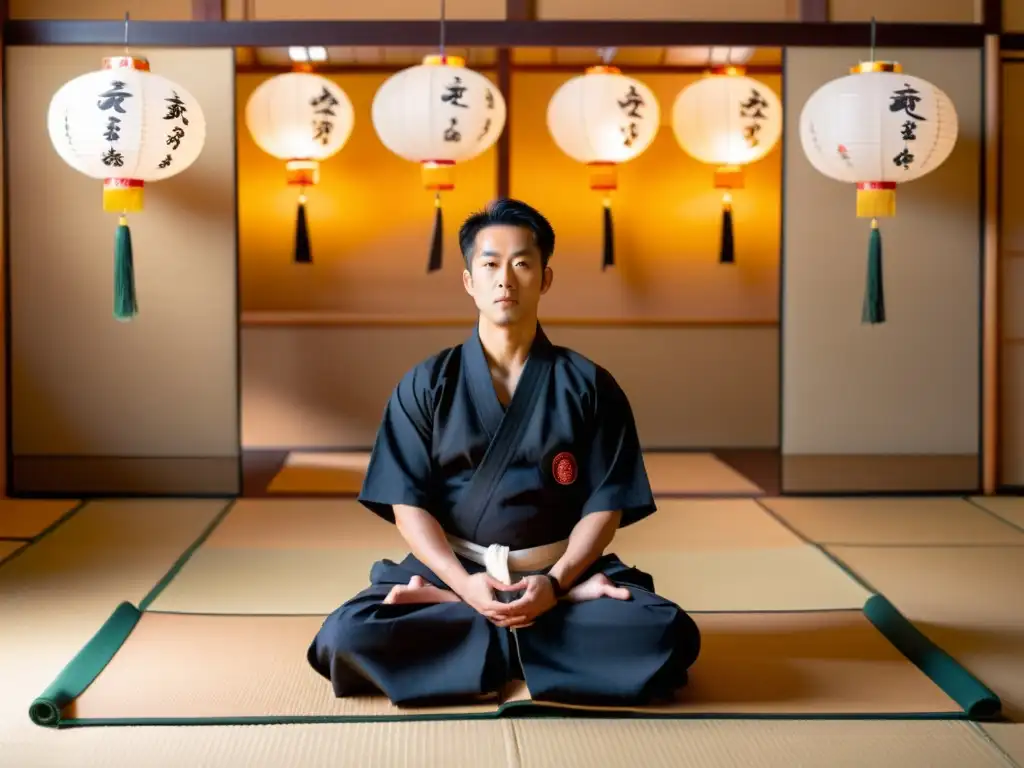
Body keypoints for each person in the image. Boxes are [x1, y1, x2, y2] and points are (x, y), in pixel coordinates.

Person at [307, 198, 701, 707]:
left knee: (666, 633)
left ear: (546, 277)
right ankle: (511, 623)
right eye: (490, 264)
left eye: (521, 263)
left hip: (557, 572)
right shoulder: (427, 384)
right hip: (455, 570)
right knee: (345, 637)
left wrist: (557, 584)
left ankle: (490, 623)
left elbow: (607, 504)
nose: (505, 280)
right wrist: (463, 586)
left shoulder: (589, 385)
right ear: (469, 280)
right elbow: (408, 504)